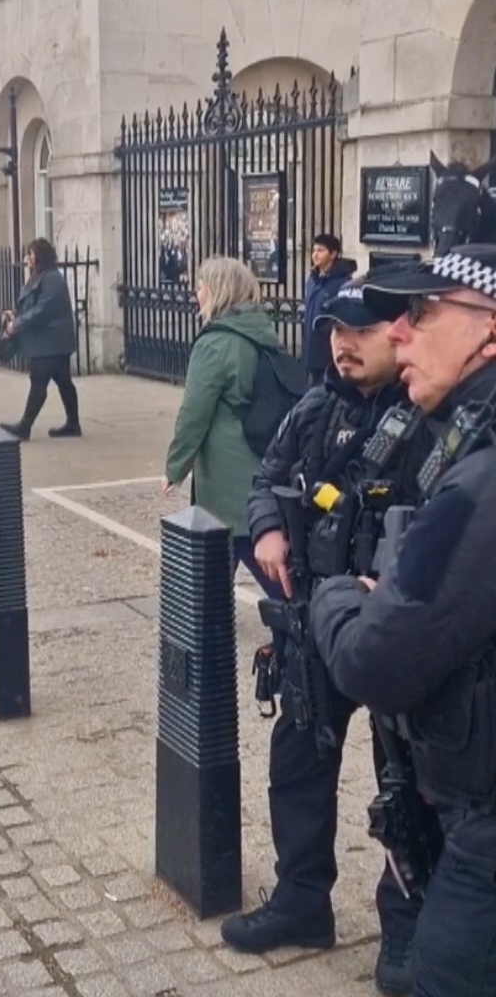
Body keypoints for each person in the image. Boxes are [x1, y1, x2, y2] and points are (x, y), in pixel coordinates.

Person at [221, 277, 437, 996]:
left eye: (359, 333)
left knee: (404, 783)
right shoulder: (314, 407)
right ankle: (302, 900)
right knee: (299, 765)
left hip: (392, 633)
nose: (342, 346)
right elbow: (266, 480)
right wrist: (271, 531)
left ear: (398, 333)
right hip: (313, 623)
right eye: (334, 332)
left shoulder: (427, 417)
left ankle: (405, 926)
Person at [311, 244, 496, 997]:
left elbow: (376, 659)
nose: (398, 334)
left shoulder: (479, 483)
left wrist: (337, 598)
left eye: (421, 314)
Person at [162, 256, 282, 588]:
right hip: (259, 452)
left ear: (217, 291)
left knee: (236, 544)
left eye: (200, 286)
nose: (196, 292)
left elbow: (194, 413)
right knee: (233, 552)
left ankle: (204, 630)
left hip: (226, 468)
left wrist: (175, 467)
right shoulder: (262, 332)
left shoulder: (214, 343)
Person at [1, 238, 81, 440]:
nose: (27, 258)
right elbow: (32, 304)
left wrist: (17, 325)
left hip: (50, 341)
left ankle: (25, 426)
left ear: (39, 257)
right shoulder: (40, 276)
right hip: (50, 341)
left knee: (39, 381)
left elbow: (43, 309)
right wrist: (15, 315)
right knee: (63, 381)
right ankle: (73, 423)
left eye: (30, 254)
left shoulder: (52, 278)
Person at [303, 234, 356, 385]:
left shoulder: (343, 283)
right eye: (314, 250)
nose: (315, 255)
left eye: (320, 250)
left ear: (333, 254)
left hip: (328, 353)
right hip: (311, 350)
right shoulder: (313, 279)